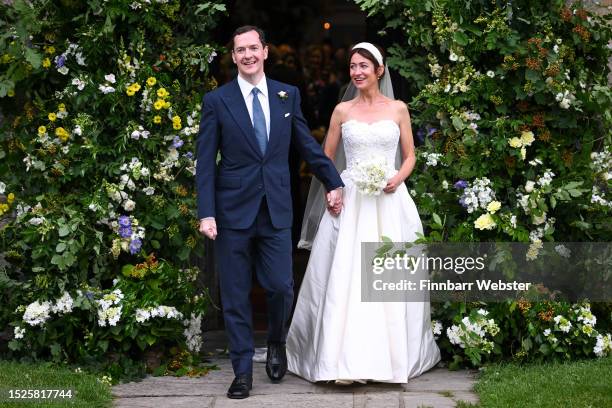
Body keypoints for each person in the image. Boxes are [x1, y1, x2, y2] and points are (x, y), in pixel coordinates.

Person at [195, 26, 344, 399]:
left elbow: (306, 145)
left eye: (252, 48)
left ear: (264, 52)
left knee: (280, 286)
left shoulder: (286, 95)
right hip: (232, 213)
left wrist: (333, 180)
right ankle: (242, 371)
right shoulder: (217, 101)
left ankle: (276, 341)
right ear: (233, 56)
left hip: (276, 209)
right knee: (235, 293)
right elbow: (205, 163)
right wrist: (206, 212)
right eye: (239, 50)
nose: (246, 55)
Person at [286, 42, 441, 383]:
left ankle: (390, 359)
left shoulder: (398, 109)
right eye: (353, 66)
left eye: (363, 67)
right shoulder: (342, 111)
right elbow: (325, 158)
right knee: (346, 277)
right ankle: (338, 359)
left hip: (389, 202)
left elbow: (410, 154)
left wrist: (396, 177)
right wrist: (333, 189)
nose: (356, 72)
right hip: (352, 200)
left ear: (379, 70)